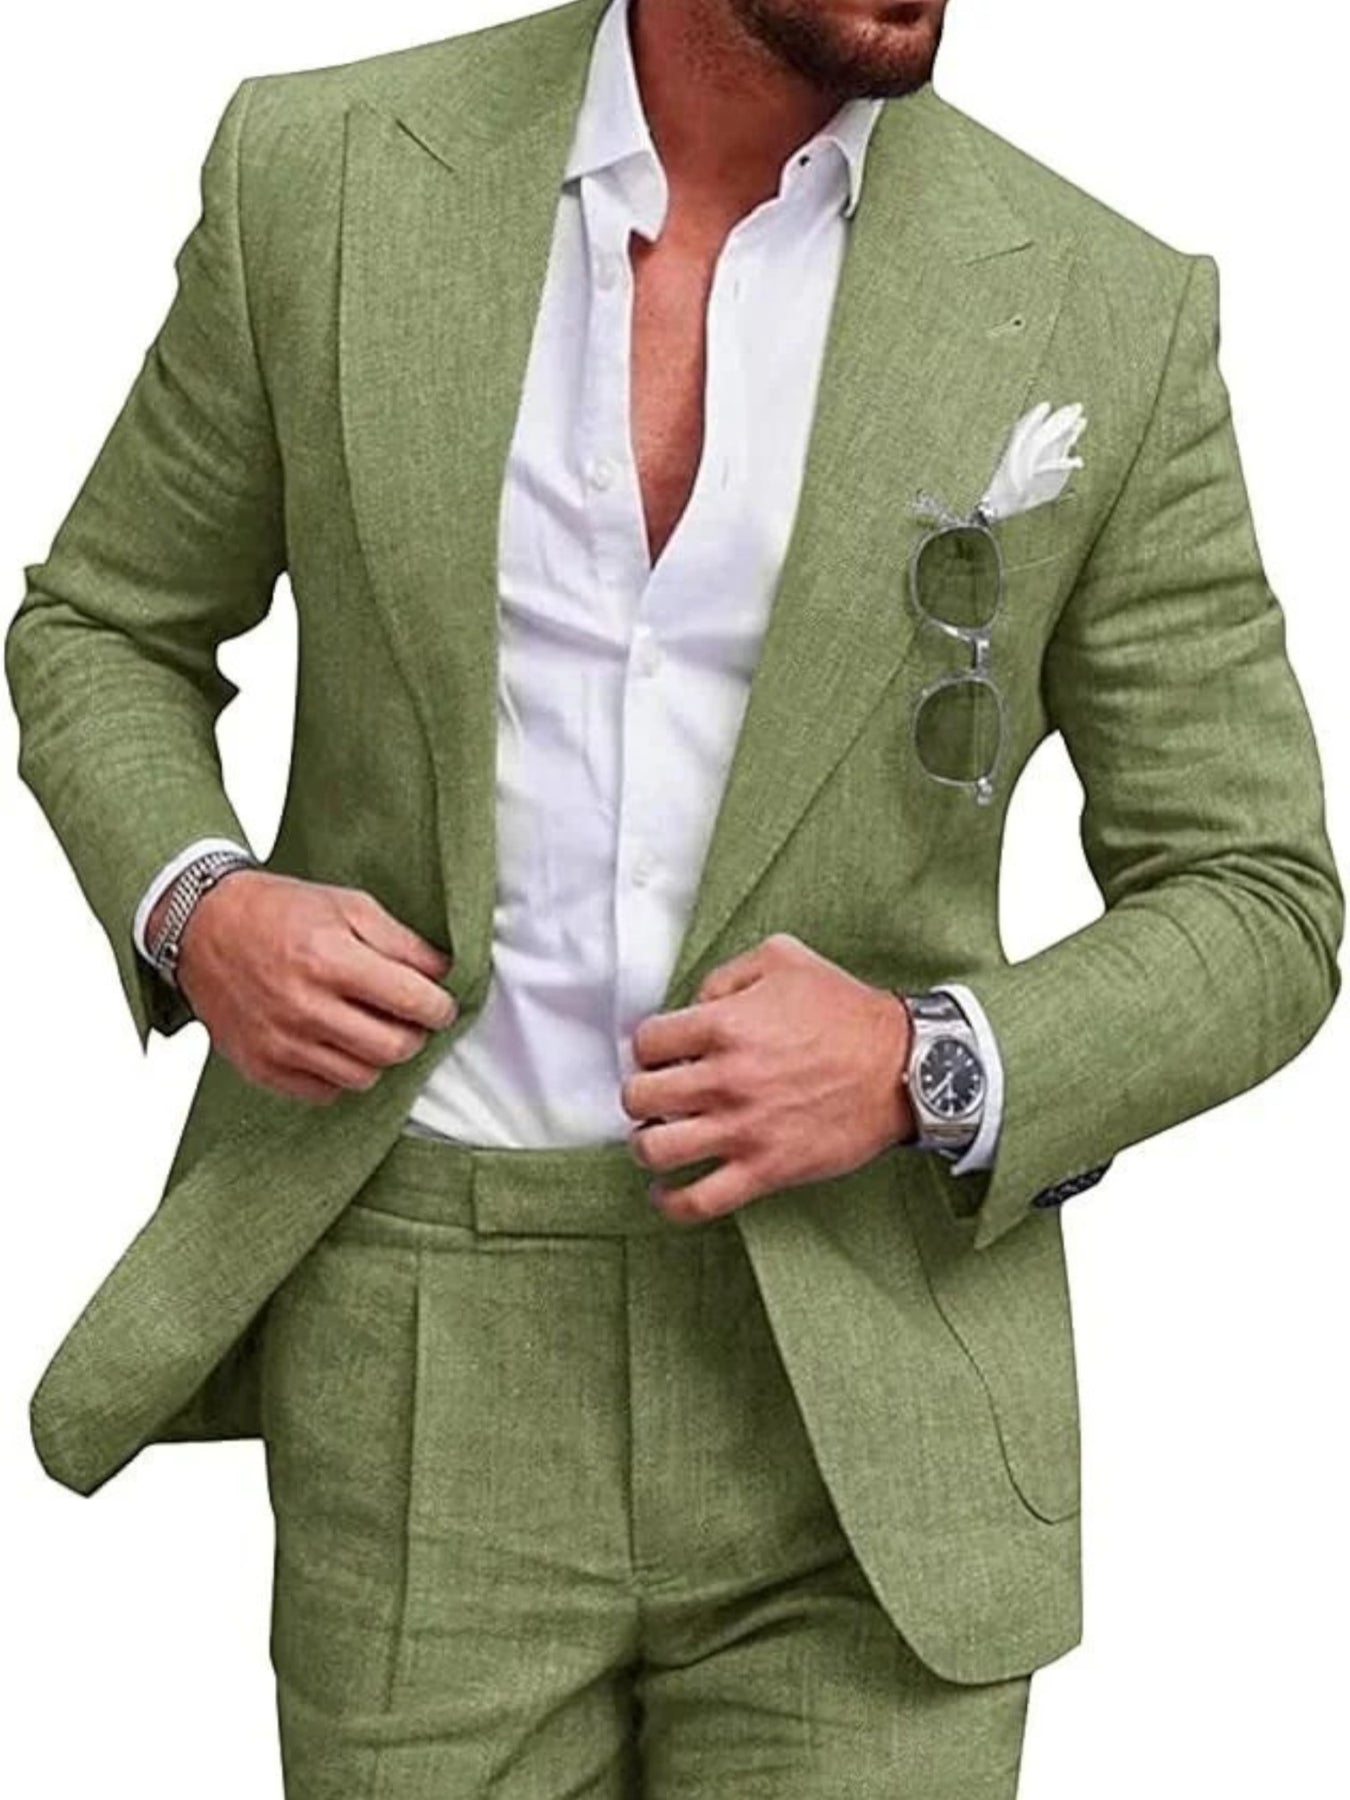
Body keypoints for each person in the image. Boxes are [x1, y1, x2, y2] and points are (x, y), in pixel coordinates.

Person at [7, 0, 1343, 1794]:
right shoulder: (320, 178)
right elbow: (104, 624)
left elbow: (1257, 891)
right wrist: (199, 902)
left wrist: (924, 1061)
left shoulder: (1105, 302)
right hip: (424, 1325)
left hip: (870, 1372)